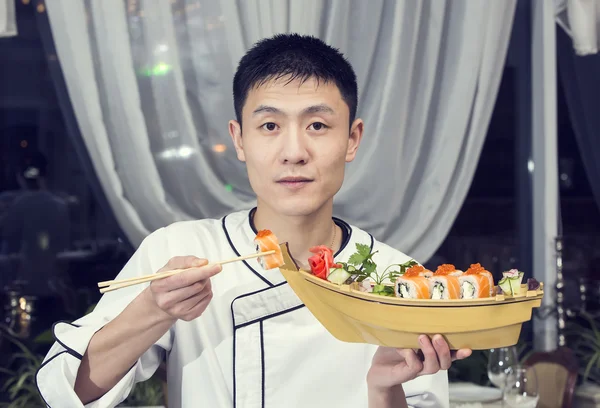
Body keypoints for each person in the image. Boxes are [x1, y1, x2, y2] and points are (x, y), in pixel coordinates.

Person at [36, 33, 471, 408]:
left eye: (318, 125)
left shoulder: (400, 279)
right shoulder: (181, 250)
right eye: (269, 126)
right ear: (239, 139)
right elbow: (65, 391)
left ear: (352, 139)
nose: (294, 151)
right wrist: (151, 309)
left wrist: (383, 390)